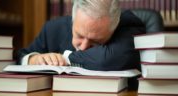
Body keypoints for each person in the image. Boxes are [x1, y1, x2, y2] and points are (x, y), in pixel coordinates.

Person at [17, 0, 145, 90]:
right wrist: (33, 59)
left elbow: (111, 58)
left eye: (95, 41)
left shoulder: (128, 25)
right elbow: (19, 57)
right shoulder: (53, 29)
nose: (83, 47)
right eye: (79, 35)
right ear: (73, 19)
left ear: (114, 27)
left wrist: (66, 58)